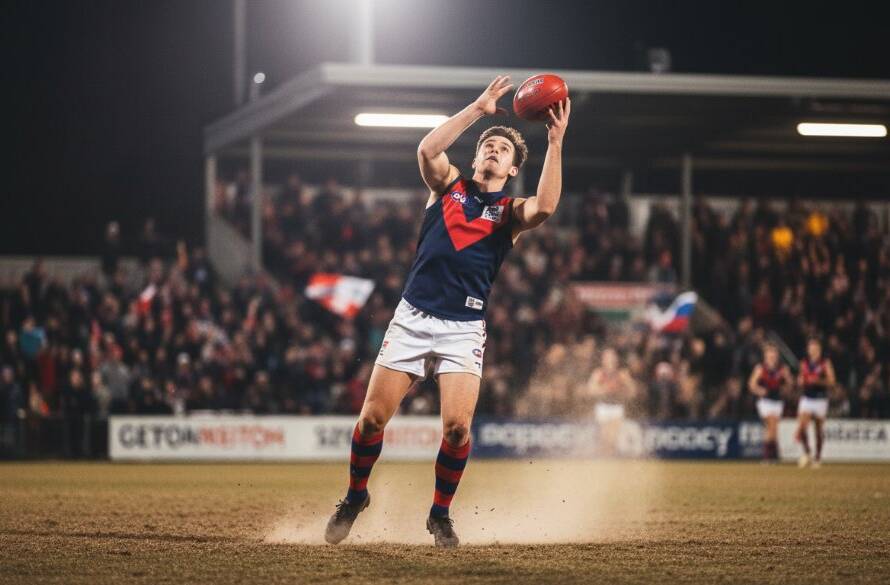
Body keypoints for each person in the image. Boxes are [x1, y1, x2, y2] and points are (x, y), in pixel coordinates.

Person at [324, 75, 571, 547]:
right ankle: (356, 496)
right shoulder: (447, 187)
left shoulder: (509, 213)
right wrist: (478, 111)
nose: (494, 151)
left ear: (514, 167)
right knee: (371, 420)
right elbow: (426, 151)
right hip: (413, 317)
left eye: (503, 149)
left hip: (462, 329)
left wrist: (555, 142)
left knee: (458, 429)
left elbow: (546, 207)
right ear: (476, 156)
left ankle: (439, 514)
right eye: (488, 146)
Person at [585, 348, 636, 456]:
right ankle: (604, 461)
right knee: (604, 438)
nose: (610, 360)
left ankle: (610, 461)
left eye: (612, 357)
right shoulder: (598, 373)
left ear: (616, 359)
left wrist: (622, 389)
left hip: (617, 407)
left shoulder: (622, 373)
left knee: (613, 438)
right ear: (603, 359)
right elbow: (591, 390)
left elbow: (632, 392)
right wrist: (604, 390)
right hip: (602, 407)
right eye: (607, 357)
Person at [795, 337, 835, 468]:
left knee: (818, 430)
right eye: (811, 348)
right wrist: (800, 381)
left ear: (819, 350)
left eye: (815, 349)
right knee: (802, 427)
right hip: (807, 398)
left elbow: (831, 381)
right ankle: (807, 452)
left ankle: (817, 457)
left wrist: (818, 381)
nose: (813, 351)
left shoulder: (825, 363)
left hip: (820, 399)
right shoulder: (804, 363)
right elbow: (801, 378)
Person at [747, 343, 791, 462]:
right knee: (771, 423)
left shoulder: (782, 369)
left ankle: (773, 455)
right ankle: (768, 455)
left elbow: (789, 384)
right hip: (765, 402)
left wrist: (784, 389)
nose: (771, 356)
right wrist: (760, 390)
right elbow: (751, 384)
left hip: (777, 401)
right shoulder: (760, 368)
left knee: (773, 429)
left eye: (773, 353)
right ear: (765, 356)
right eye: (769, 354)